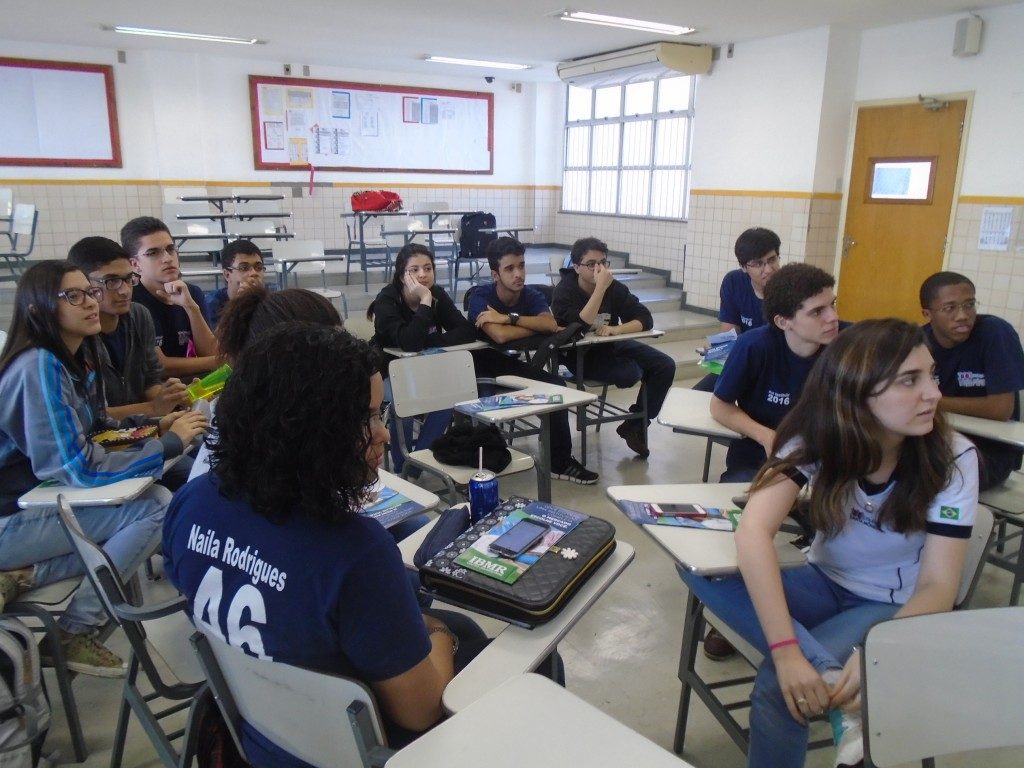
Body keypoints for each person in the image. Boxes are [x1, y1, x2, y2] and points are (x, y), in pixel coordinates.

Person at [164, 323, 488, 764]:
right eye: (365, 419)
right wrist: (441, 635)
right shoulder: (356, 553)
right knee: (509, 654)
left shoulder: (191, 501)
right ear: (306, 429)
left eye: (381, 414)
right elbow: (420, 713)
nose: (384, 435)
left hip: (259, 734)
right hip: (349, 751)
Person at [679, 319, 978, 768]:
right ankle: (829, 674)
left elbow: (939, 587)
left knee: (775, 687)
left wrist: (881, 648)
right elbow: (754, 529)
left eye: (931, 375)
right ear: (858, 392)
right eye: (910, 380)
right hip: (821, 581)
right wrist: (788, 652)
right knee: (692, 558)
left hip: (890, 605)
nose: (934, 393)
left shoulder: (954, 457)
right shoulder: (817, 436)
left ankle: (822, 676)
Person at [0, 261, 207, 676]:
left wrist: (153, 425)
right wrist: (169, 443)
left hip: (41, 509)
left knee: (145, 519)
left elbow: (99, 430)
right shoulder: (38, 364)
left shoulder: (76, 356)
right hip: (11, 519)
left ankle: (23, 576)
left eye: (89, 293)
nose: (91, 302)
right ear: (40, 307)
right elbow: (76, 468)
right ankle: (76, 630)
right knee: (156, 508)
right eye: (73, 296)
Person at [468, 237, 598, 484]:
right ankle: (484, 466)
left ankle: (559, 463)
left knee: (556, 385)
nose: (518, 274)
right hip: (477, 370)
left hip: (508, 367)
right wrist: (533, 326)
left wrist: (509, 318)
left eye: (521, 265)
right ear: (495, 274)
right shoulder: (479, 296)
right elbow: (499, 335)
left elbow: (549, 324)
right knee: (486, 405)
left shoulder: (530, 294)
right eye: (509, 269)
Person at [712, 263, 840, 484]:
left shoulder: (850, 343)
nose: (832, 317)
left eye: (833, 305)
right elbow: (719, 406)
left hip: (827, 463)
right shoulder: (753, 346)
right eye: (817, 311)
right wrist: (767, 436)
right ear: (783, 322)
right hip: (760, 460)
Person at [551, 236, 675, 458]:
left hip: (611, 344)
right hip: (580, 354)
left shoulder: (614, 288)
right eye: (591, 264)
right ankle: (636, 422)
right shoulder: (565, 291)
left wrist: (618, 330)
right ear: (577, 267)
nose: (599, 269)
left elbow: (645, 318)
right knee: (631, 373)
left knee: (664, 365)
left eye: (603, 263)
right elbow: (580, 325)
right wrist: (600, 289)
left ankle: (636, 424)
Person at [367, 243, 477, 472]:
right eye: (414, 270)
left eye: (428, 268)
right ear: (401, 275)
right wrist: (425, 301)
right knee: (404, 405)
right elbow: (409, 342)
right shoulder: (387, 300)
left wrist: (430, 341)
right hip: (388, 373)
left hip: (426, 371)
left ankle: (418, 463)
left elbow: (466, 330)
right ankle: (402, 466)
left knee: (447, 400)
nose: (423, 275)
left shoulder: (437, 293)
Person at [66, 236, 190, 420]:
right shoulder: (74, 335)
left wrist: (175, 397)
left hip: (137, 425)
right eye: (111, 281)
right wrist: (153, 408)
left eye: (128, 279)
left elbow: (150, 381)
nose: (124, 291)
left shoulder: (139, 315)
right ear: (83, 285)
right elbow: (90, 415)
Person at [920, 271, 1024, 490]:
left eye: (969, 305)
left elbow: (1000, 409)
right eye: (950, 308)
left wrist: (931, 399)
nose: (963, 315)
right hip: (937, 441)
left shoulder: (995, 333)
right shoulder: (918, 342)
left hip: (991, 450)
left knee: (926, 480)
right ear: (927, 314)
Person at [121, 216, 219, 377]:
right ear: (135, 265)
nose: (167, 258)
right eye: (153, 253)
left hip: (190, 383)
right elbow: (160, 366)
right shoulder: (131, 301)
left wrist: (191, 308)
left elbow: (208, 352)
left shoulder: (192, 292)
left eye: (170, 249)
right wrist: (222, 360)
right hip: (153, 391)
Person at [694, 228, 782, 392]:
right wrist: (718, 348)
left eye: (772, 260)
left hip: (777, 368)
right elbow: (729, 335)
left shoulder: (792, 289)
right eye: (758, 264)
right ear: (743, 266)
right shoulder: (733, 282)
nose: (768, 269)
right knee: (696, 398)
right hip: (743, 361)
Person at [205, 239, 267, 327]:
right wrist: (239, 305)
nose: (254, 273)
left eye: (259, 267)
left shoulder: (269, 302)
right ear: (227, 275)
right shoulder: (211, 305)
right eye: (244, 268)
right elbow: (217, 339)